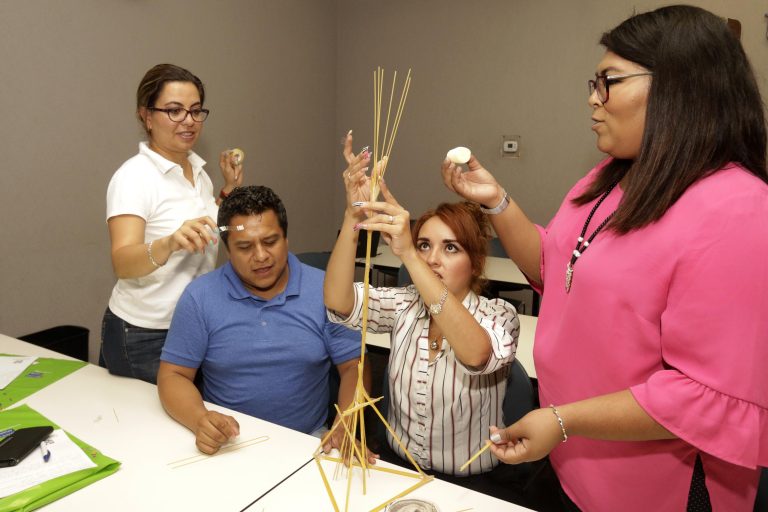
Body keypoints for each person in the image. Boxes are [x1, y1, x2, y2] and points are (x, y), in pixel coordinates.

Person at [441, 6, 768, 511]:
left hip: (655, 488)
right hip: (576, 463)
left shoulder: (737, 208)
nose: (592, 99)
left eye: (608, 81)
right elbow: (556, 268)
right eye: (593, 81)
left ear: (677, 88)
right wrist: (496, 201)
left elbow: (703, 395)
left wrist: (564, 419)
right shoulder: (606, 179)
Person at [324, 133, 520, 497]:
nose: (432, 258)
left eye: (450, 248)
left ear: (475, 262)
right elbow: (338, 302)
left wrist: (410, 256)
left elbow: (476, 354)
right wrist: (354, 215)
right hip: (397, 471)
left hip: (472, 485)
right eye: (425, 245)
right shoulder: (405, 305)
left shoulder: (499, 314)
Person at [157, 185, 369, 456]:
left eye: (270, 242)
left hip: (309, 442)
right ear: (228, 250)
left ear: (286, 239)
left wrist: (346, 423)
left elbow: (354, 366)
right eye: (244, 247)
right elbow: (173, 375)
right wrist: (200, 419)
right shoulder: (200, 297)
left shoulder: (327, 290)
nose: (260, 256)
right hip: (230, 444)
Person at [101, 63, 244, 384]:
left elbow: (201, 227)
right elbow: (122, 261)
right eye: (174, 111)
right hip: (144, 334)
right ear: (147, 116)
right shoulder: (134, 177)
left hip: (191, 324)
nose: (189, 121)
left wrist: (227, 191)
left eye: (195, 111)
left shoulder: (198, 171)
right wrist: (169, 242)